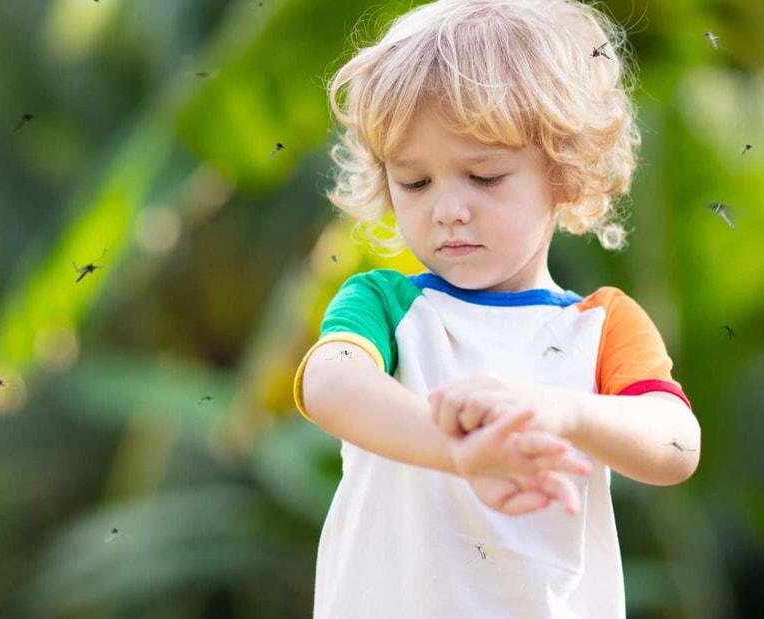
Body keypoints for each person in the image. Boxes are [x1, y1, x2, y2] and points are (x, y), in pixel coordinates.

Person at [292, 0, 701, 616]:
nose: (448, 209)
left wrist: (561, 411)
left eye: (483, 177)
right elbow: (329, 384)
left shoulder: (600, 325)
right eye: (415, 182)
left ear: (566, 174)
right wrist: (454, 449)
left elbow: (676, 447)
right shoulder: (386, 303)